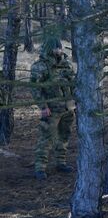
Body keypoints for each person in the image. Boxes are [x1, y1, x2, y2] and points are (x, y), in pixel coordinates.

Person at [31, 25, 76, 180]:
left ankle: (60, 163)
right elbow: (36, 89)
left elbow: (73, 84)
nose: (59, 50)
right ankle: (40, 168)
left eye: (60, 47)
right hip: (51, 109)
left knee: (64, 136)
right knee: (46, 138)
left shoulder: (67, 64)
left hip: (68, 108)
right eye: (56, 47)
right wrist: (43, 107)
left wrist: (75, 103)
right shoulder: (40, 66)